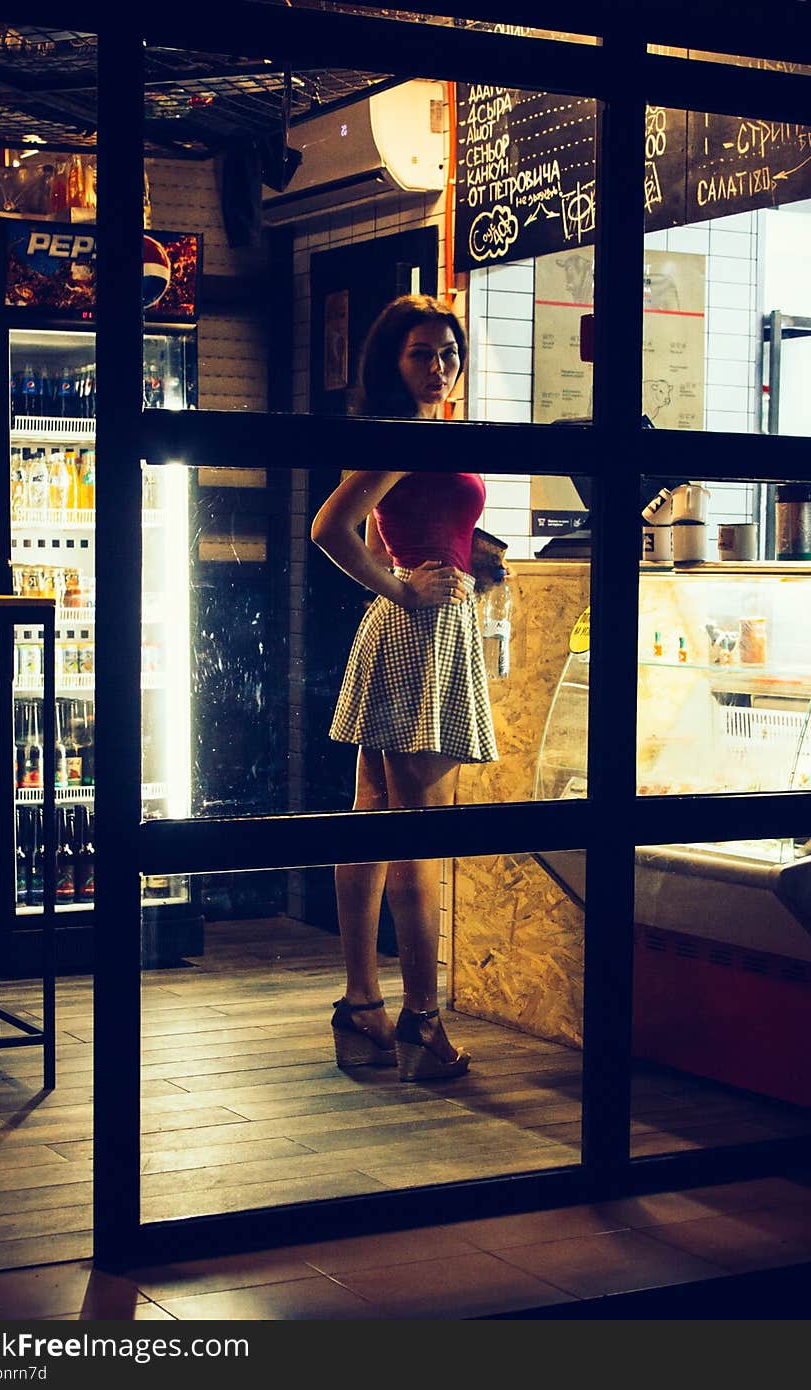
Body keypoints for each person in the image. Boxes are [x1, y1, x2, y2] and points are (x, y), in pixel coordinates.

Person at [310, 294, 499, 1084]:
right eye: (422, 353)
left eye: (448, 353)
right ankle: (421, 1019)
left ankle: (363, 1005)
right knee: (415, 833)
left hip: (419, 630)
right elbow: (329, 528)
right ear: (392, 362)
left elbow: (426, 524)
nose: (439, 366)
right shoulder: (404, 433)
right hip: (418, 631)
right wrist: (400, 587)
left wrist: (470, 556)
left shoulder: (426, 432)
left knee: (374, 817)